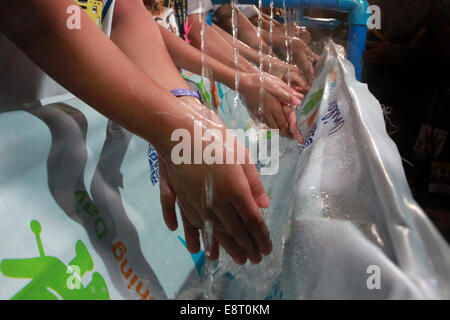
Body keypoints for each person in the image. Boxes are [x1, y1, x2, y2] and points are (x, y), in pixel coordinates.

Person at [0, 0, 275, 265]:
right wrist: (172, 127)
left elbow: (123, 14)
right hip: (15, 157)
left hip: (81, 131)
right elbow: (32, 15)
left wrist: (185, 111)